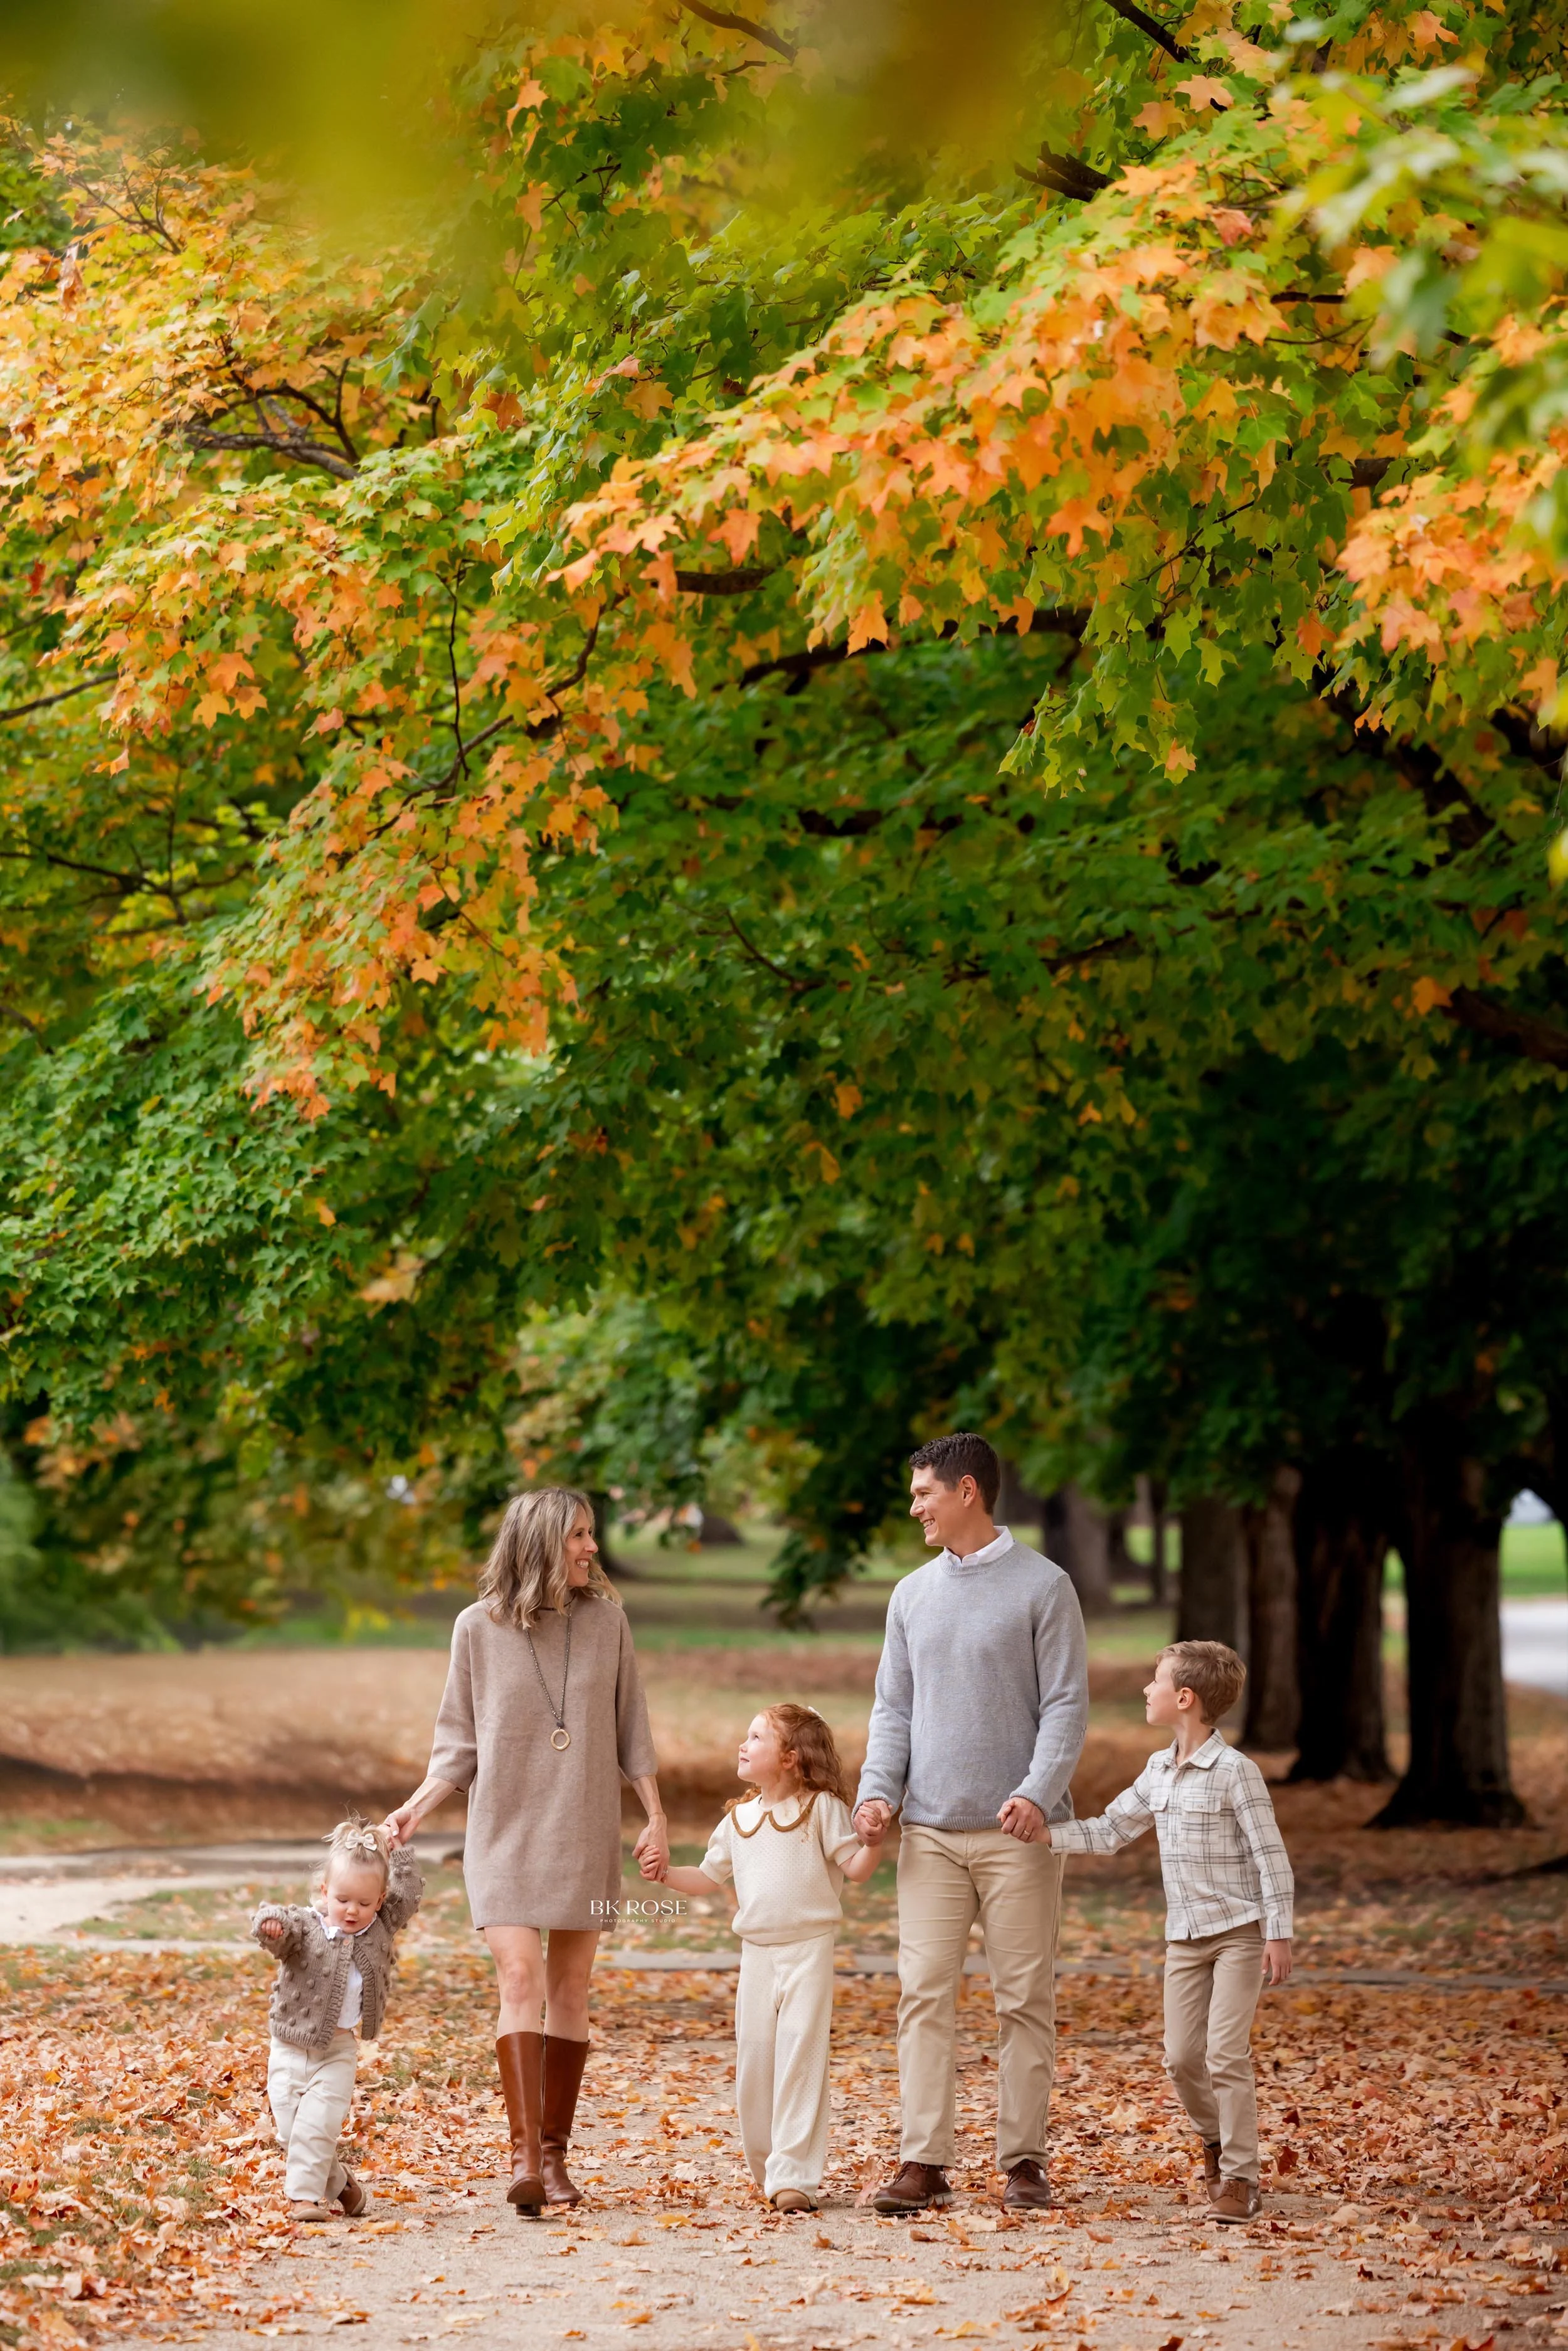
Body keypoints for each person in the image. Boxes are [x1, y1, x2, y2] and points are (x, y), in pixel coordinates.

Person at [382, 1486, 669, 2217]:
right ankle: (521, 2160)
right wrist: (414, 1809)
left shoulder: (609, 1622)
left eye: (592, 1534)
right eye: (579, 1534)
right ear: (541, 1541)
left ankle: (554, 2155)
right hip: (501, 1832)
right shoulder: (475, 1628)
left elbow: (632, 1728)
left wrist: (657, 1817)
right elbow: (457, 1743)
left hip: (585, 1831)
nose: (592, 1548)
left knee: (571, 1990)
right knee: (520, 1976)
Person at [854, 1432, 1089, 2214]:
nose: (915, 1505)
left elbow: (1064, 1704)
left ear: (966, 1492)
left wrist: (1037, 1789)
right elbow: (894, 1707)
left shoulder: (1044, 1586)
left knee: (1023, 1998)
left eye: (924, 1492)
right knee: (922, 1994)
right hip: (927, 1830)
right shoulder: (911, 1594)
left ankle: (1023, 2160)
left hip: (1018, 1834)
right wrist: (878, 1790)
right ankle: (923, 2161)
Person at [1046, 1641, 1294, 2224]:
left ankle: (1239, 2176)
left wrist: (1278, 1933)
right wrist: (1043, 1834)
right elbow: (1110, 1830)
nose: (1145, 1690)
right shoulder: (1158, 1770)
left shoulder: (1237, 1773)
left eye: (1154, 1682)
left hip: (1238, 1933)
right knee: (1182, 2059)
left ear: (1184, 1698)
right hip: (1185, 1937)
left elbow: (1270, 1855)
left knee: (1225, 2053)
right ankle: (1215, 2141)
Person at [646, 1704, 879, 2210]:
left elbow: (856, 1868)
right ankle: (766, 2164)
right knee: (755, 2058)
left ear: (791, 1757)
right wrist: (665, 1873)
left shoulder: (821, 1810)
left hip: (809, 1950)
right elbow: (708, 1877)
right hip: (758, 1954)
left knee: (801, 2055)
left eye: (756, 1738)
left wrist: (875, 1841)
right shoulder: (739, 1819)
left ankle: (794, 2175)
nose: (743, 1745)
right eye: (746, 1736)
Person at [252, 1815, 424, 2222]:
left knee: (317, 2127)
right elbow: (279, 1926)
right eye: (343, 1899)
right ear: (326, 1891)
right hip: (289, 2046)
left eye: (365, 1903)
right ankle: (342, 2185)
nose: (352, 1911)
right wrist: (270, 1926)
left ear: (380, 1901)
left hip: (338, 2050)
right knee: (290, 2132)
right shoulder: (307, 1927)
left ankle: (304, 2199)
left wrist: (399, 1856)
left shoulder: (379, 1928)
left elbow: (410, 1896)